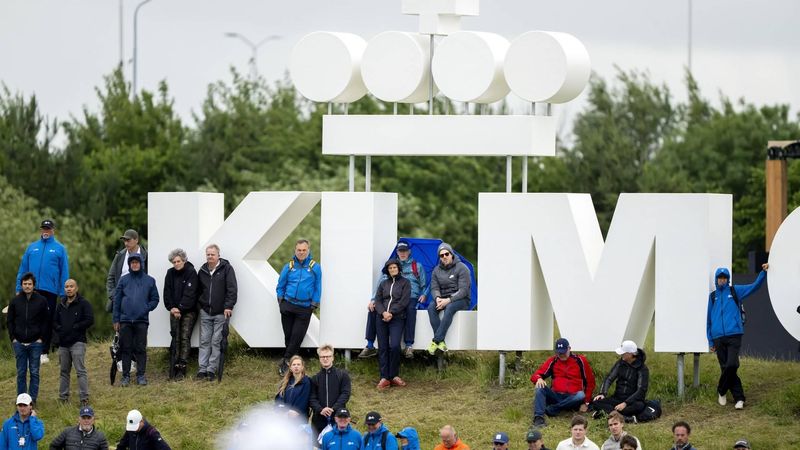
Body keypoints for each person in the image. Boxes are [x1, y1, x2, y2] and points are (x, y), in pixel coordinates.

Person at [707, 263, 768, 410]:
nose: (722, 280)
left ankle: (721, 390)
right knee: (725, 368)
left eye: (724, 277)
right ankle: (739, 398)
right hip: (718, 337)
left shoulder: (735, 291)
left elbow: (754, 286)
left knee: (732, 364)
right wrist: (710, 340)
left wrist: (763, 273)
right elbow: (709, 319)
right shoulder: (713, 296)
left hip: (734, 334)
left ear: (727, 279)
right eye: (719, 278)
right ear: (716, 279)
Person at [359, 240, 428, 359]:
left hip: (410, 296)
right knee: (373, 309)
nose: (402, 253)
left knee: (411, 310)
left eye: (405, 251)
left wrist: (424, 294)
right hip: (392, 297)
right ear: (397, 252)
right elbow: (380, 284)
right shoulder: (391, 266)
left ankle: (408, 345)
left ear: (409, 252)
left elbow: (424, 285)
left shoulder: (417, 266)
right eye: (400, 251)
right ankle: (370, 345)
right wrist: (373, 299)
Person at [16, 218, 69, 363]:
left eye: (48, 229)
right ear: (41, 230)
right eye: (44, 229)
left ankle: (43, 352)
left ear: (53, 230)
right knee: (31, 319)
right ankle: (30, 350)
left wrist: (63, 292)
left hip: (50, 290)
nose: (46, 231)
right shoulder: (32, 247)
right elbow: (23, 269)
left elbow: (64, 271)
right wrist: (18, 287)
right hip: (31, 289)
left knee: (46, 320)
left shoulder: (59, 248)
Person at [113, 253, 160, 387]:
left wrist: (145, 308)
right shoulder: (123, 280)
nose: (134, 264)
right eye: (132, 262)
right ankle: (125, 376)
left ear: (141, 264)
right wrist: (116, 319)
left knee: (140, 348)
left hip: (141, 321)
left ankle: (141, 375)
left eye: (136, 262)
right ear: (129, 265)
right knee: (126, 348)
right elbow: (117, 301)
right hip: (125, 321)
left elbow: (155, 299)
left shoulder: (149, 280)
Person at [276, 239, 322, 376]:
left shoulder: (315, 267)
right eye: (299, 250)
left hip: (304, 308)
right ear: (295, 251)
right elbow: (281, 284)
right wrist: (281, 301)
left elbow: (318, 286)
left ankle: (285, 361)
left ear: (308, 251)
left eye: (304, 250)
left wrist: (314, 303)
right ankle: (294, 363)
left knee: (297, 336)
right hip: (288, 305)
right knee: (289, 336)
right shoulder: (289, 266)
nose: (301, 252)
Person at [531, 338, 596, 427]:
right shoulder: (553, 360)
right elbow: (536, 375)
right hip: (556, 395)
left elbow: (590, 381)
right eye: (559, 353)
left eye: (564, 352)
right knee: (539, 387)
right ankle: (539, 418)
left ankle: (554, 409)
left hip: (573, 398)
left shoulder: (580, 360)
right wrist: (539, 379)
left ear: (569, 348)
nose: (561, 355)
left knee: (581, 395)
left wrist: (586, 402)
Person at [7, 272, 51, 403]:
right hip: (19, 343)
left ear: (34, 285)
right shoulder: (15, 301)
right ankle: (21, 400)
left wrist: (41, 338)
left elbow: (46, 321)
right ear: (21, 285)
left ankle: (32, 401)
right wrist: (13, 338)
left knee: (34, 372)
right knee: (21, 373)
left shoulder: (42, 300)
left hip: (35, 343)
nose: (27, 286)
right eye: (25, 284)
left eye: (29, 284)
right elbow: (10, 321)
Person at [196, 244, 237, 381]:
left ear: (218, 255)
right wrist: (201, 305)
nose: (210, 256)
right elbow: (198, 290)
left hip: (221, 312)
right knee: (204, 341)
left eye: (212, 254)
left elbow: (232, 289)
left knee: (216, 341)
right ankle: (202, 369)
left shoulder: (227, 269)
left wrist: (228, 306)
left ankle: (211, 369)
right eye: (208, 254)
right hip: (205, 312)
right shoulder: (202, 271)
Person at [54, 279, 94, 405]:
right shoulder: (60, 305)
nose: (69, 289)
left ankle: (84, 399)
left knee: (80, 371)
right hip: (63, 344)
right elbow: (54, 322)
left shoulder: (84, 303)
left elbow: (89, 319)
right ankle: (63, 398)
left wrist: (76, 327)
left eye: (71, 286)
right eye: (66, 287)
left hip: (78, 342)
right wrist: (60, 329)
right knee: (64, 372)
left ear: (76, 288)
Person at [427, 243, 471, 354]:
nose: (444, 257)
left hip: (461, 300)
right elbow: (434, 287)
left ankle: (436, 340)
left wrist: (448, 300)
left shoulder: (462, 268)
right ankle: (441, 342)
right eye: (441, 255)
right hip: (443, 298)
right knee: (431, 307)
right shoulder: (436, 270)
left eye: (446, 254)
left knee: (450, 307)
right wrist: (437, 298)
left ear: (451, 254)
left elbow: (463, 290)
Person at [373, 259, 411, 389]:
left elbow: (404, 301)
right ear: (387, 270)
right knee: (382, 347)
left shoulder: (405, 283)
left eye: (395, 267)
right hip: (381, 318)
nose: (393, 269)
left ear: (399, 268)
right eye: (390, 268)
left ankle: (394, 376)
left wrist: (391, 313)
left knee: (395, 346)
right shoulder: (383, 283)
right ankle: (384, 378)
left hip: (397, 318)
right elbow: (377, 300)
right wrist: (383, 312)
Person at [162, 248, 198, 380]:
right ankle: (174, 364)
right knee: (175, 337)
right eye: (174, 262)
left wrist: (180, 308)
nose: (176, 264)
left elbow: (191, 293)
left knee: (184, 337)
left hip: (189, 311)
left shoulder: (191, 272)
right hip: (174, 311)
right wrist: (171, 307)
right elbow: (167, 292)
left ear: (184, 260)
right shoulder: (170, 273)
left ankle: (182, 366)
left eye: (178, 261)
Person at [591, 340, 649, 420]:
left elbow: (641, 390)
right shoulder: (620, 363)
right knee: (596, 402)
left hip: (633, 402)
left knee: (639, 406)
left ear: (631, 354)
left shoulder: (642, 369)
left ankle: (606, 413)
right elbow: (609, 378)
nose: (621, 354)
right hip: (617, 398)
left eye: (623, 353)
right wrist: (602, 393)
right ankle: (624, 417)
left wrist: (625, 403)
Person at [309, 344, 352, 434]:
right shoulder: (315, 378)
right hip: (319, 420)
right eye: (322, 357)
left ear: (332, 358)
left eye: (328, 356)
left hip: (338, 417)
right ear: (319, 359)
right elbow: (312, 398)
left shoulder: (342, 375)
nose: (325, 359)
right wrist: (321, 409)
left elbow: (345, 394)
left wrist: (333, 408)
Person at [106, 229, 148, 312]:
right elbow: (110, 278)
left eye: (128, 240)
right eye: (124, 241)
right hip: (121, 302)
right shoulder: (120, 255)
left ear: (136, 240)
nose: (126, 243)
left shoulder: (146, 255)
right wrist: (115, 297)